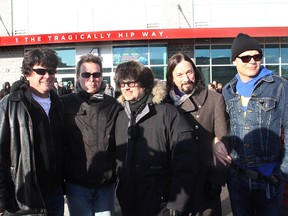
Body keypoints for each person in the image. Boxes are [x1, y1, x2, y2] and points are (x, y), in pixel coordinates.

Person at [114, 60, 199, 216]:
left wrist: (177, 205)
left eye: (131, 82)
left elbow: (186, 162)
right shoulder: (120, 116)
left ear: (144, 84)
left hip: (161, 205)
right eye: (121, 83)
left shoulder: (167, 113)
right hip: (128, 203)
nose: (125, 87)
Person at [222, 33, 288, 216]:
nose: (252, 61)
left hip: (268, 179)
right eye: (246, 57)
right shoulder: (228, 91)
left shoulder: (279, 86)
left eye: (257, 56)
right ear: (235, 60)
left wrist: (283, 171)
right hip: (237, 178)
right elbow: (224, 127)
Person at [0, 47, 65, 215]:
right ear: (27, 73)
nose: (47, 76)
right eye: (41, 71)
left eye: (51, 71)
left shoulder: (59, 104)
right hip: (24, 196)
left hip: (56, 192)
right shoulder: (9, 105)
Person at [165, 52, 231, 216]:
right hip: (174, 187)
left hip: (205, 183)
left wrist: (216, 181)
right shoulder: (164, 103)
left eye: (189, 72)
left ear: (195, 72)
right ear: (172, 78)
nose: (186, 78)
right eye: (179, 74)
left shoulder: (214, 99)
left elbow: (223, 143)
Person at [60, 54, 121, 216]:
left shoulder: (114, 105)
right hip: (76, 183)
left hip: (105, 184)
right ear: (78, 77)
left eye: (96, 74)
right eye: (86, 74)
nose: (91, 79)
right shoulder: (64, 103)